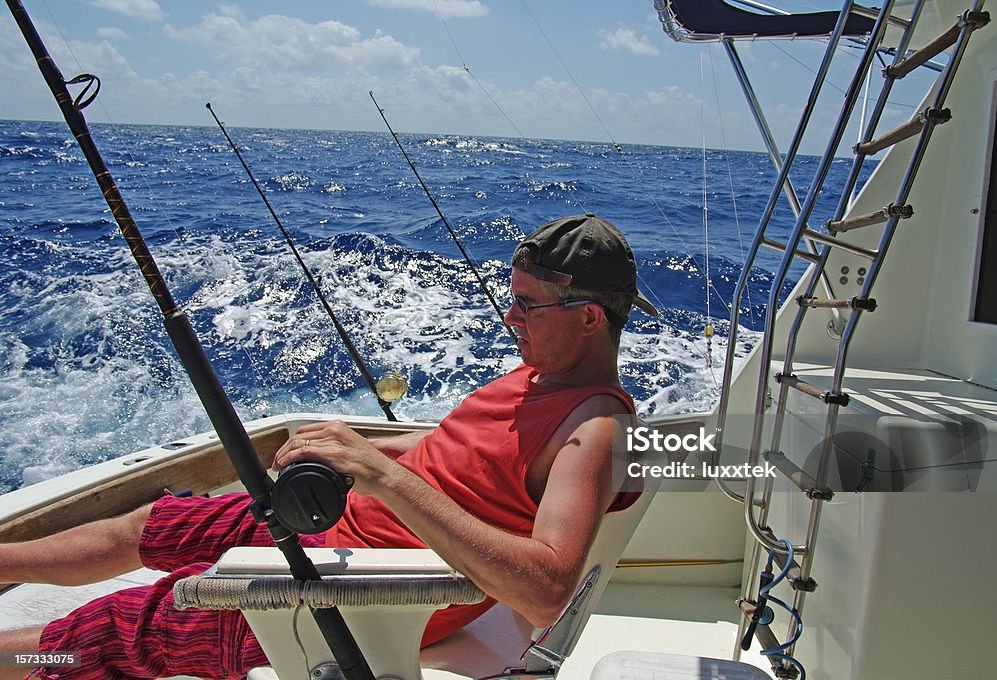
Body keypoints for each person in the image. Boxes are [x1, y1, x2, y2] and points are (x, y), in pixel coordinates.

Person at [0, 213, 657, 679]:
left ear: (589, 318)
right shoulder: (542, 373)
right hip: (340, 529)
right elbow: (469, 451)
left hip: (363, 592)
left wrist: (382, 475)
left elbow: (544, 592)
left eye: (527, 306)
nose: (510, 318)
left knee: (111, 631)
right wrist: (350, 445)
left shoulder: (594, 430)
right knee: (160, 523)